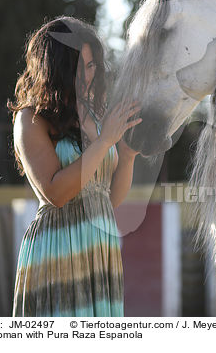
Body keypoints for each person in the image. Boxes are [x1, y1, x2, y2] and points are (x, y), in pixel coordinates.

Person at [7, 16, 141, 316]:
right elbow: (55, 192)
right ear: (55, 68)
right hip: (58, 252)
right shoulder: (30, 119)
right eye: (79, 67)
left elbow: (106, 200)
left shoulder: (94, 115)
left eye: (92, 66)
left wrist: (128, 155)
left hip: (101, 252)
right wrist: (105, 141)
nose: (88, 76)